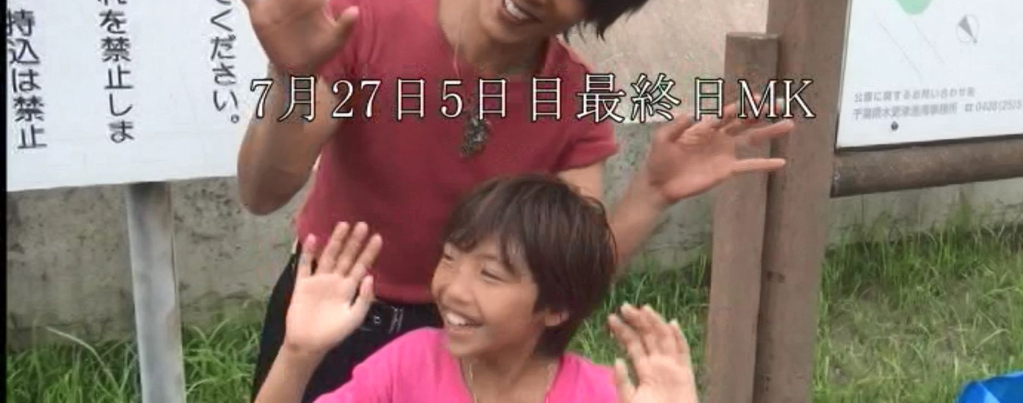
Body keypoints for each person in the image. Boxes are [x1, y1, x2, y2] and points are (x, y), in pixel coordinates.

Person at [217, 0, 794, 401]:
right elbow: (263, 191)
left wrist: (654, 192)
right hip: (323, 317)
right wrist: (292, 77)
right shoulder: (365, 21)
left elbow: (565, 278)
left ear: (598, 8)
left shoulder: (573, 100)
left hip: (463, 345)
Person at [254, 174, 701, 403]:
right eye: (450, 257)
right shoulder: (407, 364)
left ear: (556, 307)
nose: (452, 289)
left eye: (490, 275)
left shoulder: (603, 394)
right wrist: (298, 354)